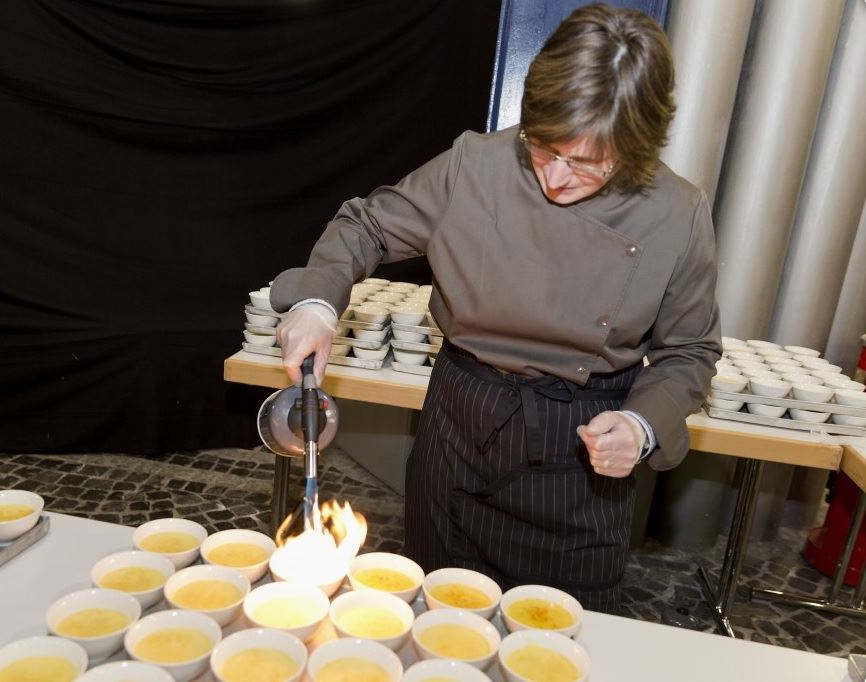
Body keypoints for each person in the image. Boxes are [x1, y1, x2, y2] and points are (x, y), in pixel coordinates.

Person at [269, 3, 720, 612]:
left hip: (577, 450)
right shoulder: (477, 164)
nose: (556, 178)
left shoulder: (676, 212)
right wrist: (318, 303)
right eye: (544, 149)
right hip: (460, 418)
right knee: (435, 616)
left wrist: (641, 426)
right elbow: (367, 226)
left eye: (587, 165)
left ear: (637, 147)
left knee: (561, 630)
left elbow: (690, 351)